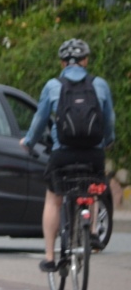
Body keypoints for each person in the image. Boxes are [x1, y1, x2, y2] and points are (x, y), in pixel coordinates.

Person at [20, 38, 116, 271]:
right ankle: (92, 232)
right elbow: (109, 119)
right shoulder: (100, 85)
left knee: (53, 199)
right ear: (85, 61)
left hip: (63, 153)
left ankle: (50, 257)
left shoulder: (53, 86)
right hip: (92, 153)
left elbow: (39, 120)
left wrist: (29, 142)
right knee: (92, 188)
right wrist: (108, 142)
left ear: (63, 64)